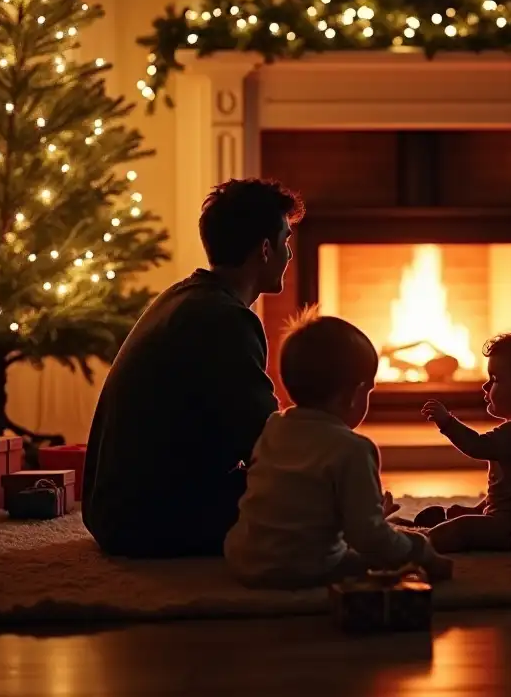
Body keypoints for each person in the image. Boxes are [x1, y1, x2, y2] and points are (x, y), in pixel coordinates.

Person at [82, 178, 303, 558]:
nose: (289, 253)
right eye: (285, 240)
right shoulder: (225, 320)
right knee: (302, 498)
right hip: (146, 522)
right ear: (264, 250)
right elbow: (267, 445)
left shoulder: (183, 297)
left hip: (112, 512)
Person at [224, 309, 454, 588]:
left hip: (244, 558)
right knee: (394, 553)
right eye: (369, 390)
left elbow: (297, 498)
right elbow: (369, 538)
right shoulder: (354, 449)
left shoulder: (274, 427)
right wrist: (420, 551)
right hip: (303, 567)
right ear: (355, 394)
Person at [412, 322, 511, 553]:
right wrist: (480, 508)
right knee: (465, 516)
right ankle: (457, 520)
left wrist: (447, 422)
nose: (485, 385)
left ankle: (417, 543)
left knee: (457, 531)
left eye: (495, 379)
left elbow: (476, 446)